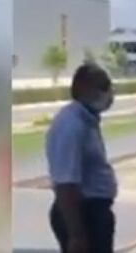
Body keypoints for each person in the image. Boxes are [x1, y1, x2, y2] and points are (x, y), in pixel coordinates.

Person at [46, 63, 117, 253]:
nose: (109, 94)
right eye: (103, 87)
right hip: (83, 214)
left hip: (95, 212)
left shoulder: (87, 121)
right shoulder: (72, 125)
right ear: (84, 88)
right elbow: (66, 184)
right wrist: (76, 235)